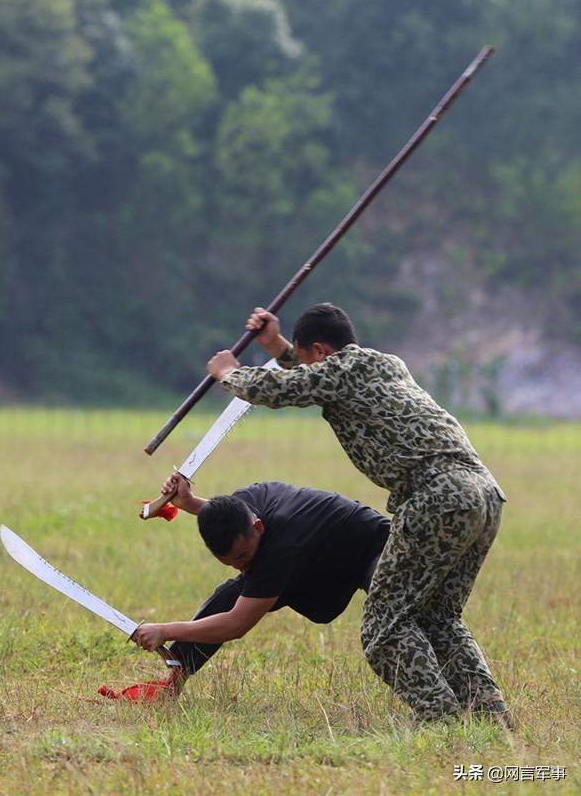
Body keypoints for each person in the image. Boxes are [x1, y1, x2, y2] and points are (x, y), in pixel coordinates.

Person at [205, 303, 510, 724]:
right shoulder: (382, 365)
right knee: (438, 617)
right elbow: (311, 377)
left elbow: (283, 389)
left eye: (307, 356)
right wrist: (275, 344)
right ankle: (490, 714)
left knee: (384, 629)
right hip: (483, 494)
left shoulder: (342, 369)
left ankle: (442, 719)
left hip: (435, 496)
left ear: (320, 350)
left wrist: (228, 373)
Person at [134, 475, 390, 692]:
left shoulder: (278, 552)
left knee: (392, 616)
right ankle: (174, 681)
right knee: (228, 597)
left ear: (258, 527)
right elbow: (220, 512)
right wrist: (188, 501)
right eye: (230, 561)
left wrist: (165, 630)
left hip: (379, 549)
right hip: (320, 556)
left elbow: (236, 624)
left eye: (243, 557)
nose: (240, 566)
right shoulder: (245, 502)